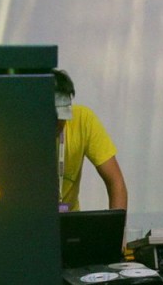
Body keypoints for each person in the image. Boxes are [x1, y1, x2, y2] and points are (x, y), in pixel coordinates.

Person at [54, 69, 127, 212]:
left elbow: (116, 182)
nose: (57, 123)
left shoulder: (83, 119)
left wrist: (115, 225)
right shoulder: (21, 127)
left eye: (62, 117)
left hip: (68, 220)